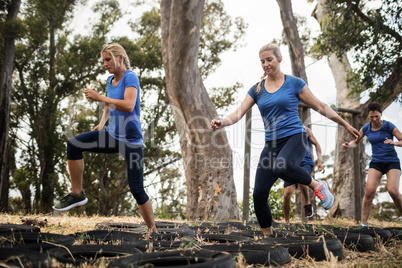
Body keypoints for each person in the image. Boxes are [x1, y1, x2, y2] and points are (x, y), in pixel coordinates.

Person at [211, 43, 359, 235]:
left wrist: (345, 124)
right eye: (262, 61)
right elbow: (238, 113)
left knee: (281, 167)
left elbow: (321, 106)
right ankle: (267, 236)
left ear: (280, 59)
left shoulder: (294, 83)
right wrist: (223, 122)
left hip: (295, 137)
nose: (265, 64)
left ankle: (317, 185)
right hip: (271, 144)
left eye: (269, 60)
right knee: (259, 194)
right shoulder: (257, 90)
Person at [53, 43, 157, 233]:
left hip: (131, 142)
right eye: (103, 61)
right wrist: (102, 123)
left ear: (120, 58)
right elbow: (110, 105)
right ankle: (77, 194)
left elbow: (127, 105)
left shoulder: (130, 77)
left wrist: (99, 97)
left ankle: (152, 229)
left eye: (108, 59)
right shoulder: (110, 81)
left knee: (136, 188)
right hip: (111, 135)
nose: (105, 64)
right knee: (73, 144)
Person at [343, 102, 402, 227]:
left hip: (391, 162)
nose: (374, 119)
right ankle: (363, 224)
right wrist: (349, 145)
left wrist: (394, 143)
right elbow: (356, 142)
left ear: (381, 114)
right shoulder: (366, 128)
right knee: (369, 192)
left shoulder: (388, 126)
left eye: (377, 116)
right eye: (371, 117)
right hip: (376, 162)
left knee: (393, 191)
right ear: (369, 116)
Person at [283, 125, 325, 223]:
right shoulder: (284, 130)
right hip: (291, 164)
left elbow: (317, 144)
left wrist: (319, 161)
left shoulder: (305, 130)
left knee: (302, 180)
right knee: (286, 195)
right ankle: (287, 222)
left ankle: (307, 202)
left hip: (305, 162)